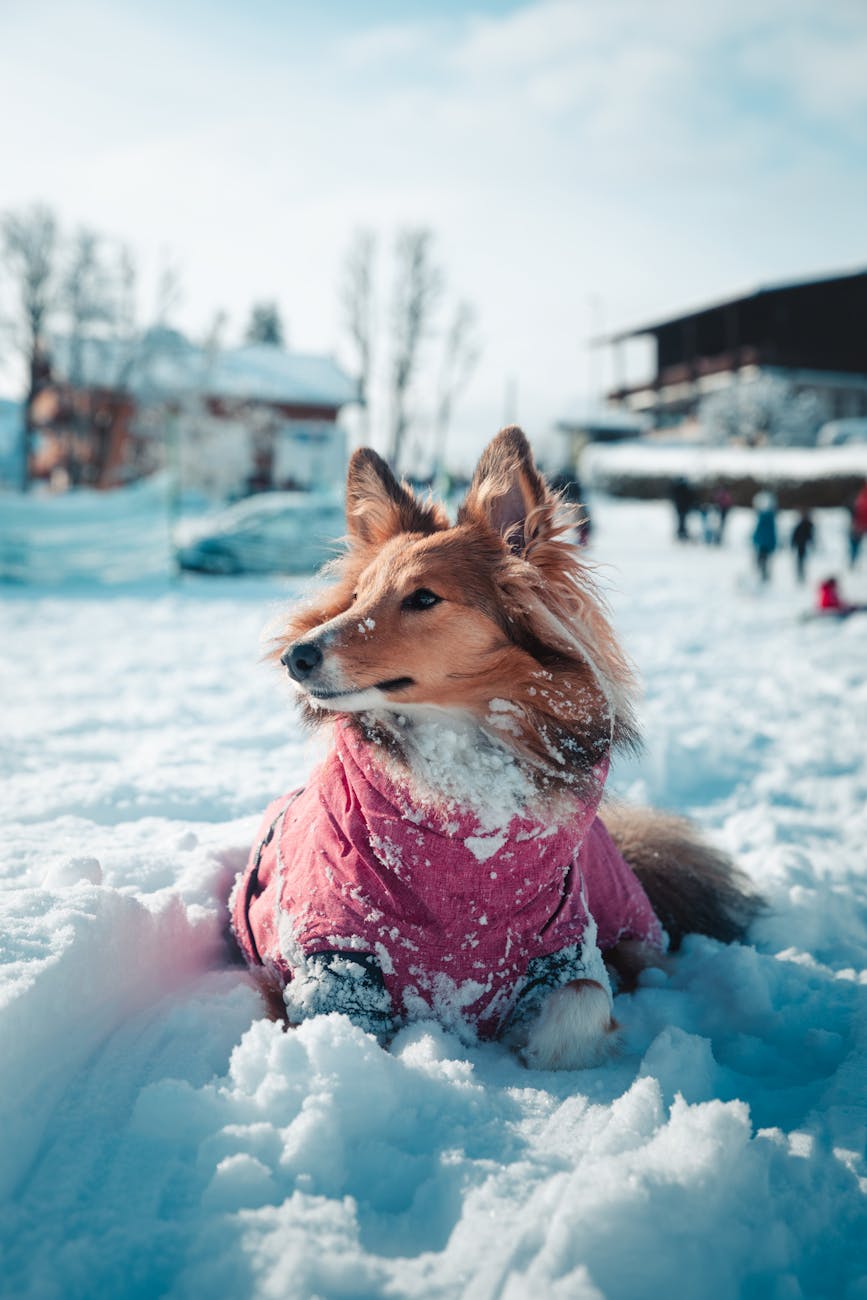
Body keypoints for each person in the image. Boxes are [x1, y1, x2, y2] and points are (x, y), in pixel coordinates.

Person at [751, 491, 778, 584]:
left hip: (764, 544)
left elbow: (759, 532)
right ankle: (763, 577)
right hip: (766, 544)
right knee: (763, 562)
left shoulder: (765, 517)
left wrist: (754, 539)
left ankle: (762, 578)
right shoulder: (770, 518)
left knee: (762, 561)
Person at [790, 509, 815, 583]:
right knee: (800, 561)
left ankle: (802, 575)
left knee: (802, 561)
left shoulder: (807, 525)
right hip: (800, 544)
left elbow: (809, 535)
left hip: (803, 544)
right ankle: (800, 575)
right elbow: (795, 535)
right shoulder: (804, 524)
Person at [848, 479, 867, 567]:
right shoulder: (860, 498)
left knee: (855, 546)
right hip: (859, 526)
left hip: (858, 526)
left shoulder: (860, 498)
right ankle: (853, 561)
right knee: (855, 545)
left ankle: (853, 560)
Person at [671, 476, 695, 542]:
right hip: (682, 507)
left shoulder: (677, 488)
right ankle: (682, 533)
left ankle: (682, 533)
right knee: (682, 521)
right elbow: (689, 497)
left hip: (681, 507)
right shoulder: (683, 488)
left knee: (682, 521)